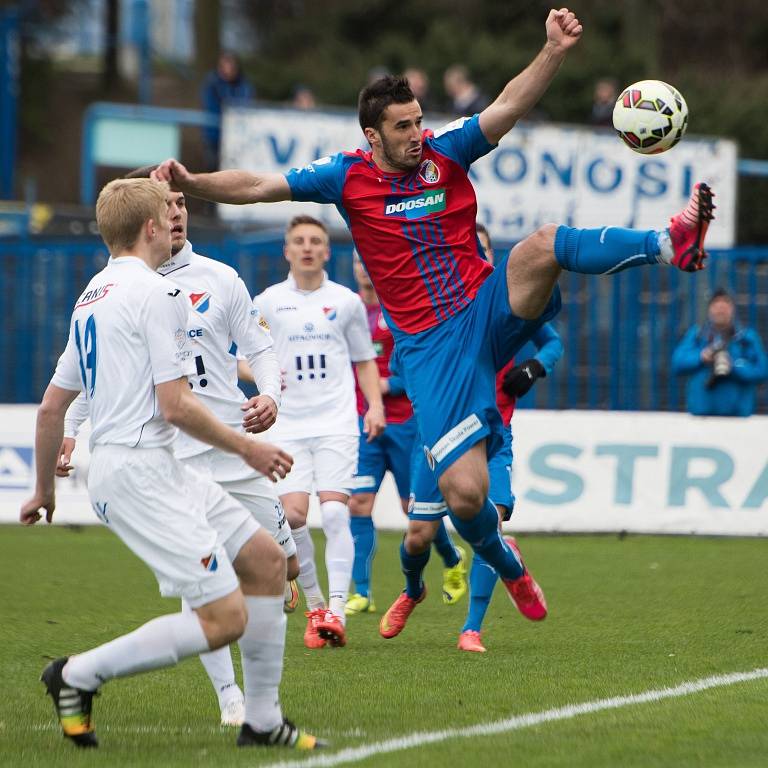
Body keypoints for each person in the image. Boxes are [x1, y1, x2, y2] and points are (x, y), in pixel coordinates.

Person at [153, 7, 715, 636]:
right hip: (430, 350)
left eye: (419, 120)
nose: (417, 133)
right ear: (373, 135)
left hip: (484, 306)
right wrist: (194, 182)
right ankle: (504, 559)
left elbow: (506, 108)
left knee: (543, 244)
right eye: (403, 127)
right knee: (466, 495)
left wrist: (553, 50)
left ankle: (670, 243)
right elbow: (258, 184)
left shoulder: (445, 154)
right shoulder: (345, 177)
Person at [20, 178, 320, 751]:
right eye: (168, 209)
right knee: (223, 618)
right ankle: (76, 675)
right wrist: (250, 448)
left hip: (152, 465)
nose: (177, 216)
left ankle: (261, 720)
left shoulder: (92, 295)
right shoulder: (157, 294)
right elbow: (176, 404)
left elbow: (51, 407)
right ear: (151, 228)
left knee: (262, 561)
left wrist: (43, 490)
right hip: (139, 472)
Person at [252, 215, 386, 649]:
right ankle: (313, 607)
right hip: (286, 424)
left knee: (333, 514)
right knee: (290, 517)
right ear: (287, 250)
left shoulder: (345, 302)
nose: (307, 247)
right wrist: (268, 380)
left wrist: (376, 408)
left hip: (335, 423)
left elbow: (364, 360)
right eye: (299, 241)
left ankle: (336, 607)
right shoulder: (268, 302)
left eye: (315, 241)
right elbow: (242, 358)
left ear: (327, 251)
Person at [457, 223, 563, 653]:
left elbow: (551, 344)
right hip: (450, 434)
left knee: (489, 519)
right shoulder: (446, 300)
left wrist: (533, 368)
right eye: (471, 249)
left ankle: (472, 629)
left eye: (483, 249)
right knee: (428, 530)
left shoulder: (509, 297)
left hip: (495, 434)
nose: (478, 257)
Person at [346, 252, 468, 617]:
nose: (364, 266)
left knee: (409, 509)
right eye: (357, 260)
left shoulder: (401, 311)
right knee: (358, 503)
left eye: (367, 259)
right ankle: (362, 592)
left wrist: (385, 385)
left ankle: (451, 555)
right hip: (362, 424)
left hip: (404, 426)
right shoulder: (346, 310)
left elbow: (418, 371)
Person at [671, 288, 768, 416]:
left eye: (725, 303)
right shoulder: (697, 335)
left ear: (732, 309)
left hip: (737, 420)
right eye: (716, 303)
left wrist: (733, 367)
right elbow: (677, 363)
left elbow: (762, 371)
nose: (720, 308)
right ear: (709, 309)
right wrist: (701, 357)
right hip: (701, 418)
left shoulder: (747, 338)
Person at [201, 52, 254, 170]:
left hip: (236, 135)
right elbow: (209, 105)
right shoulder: (212, 83)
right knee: (212, 168)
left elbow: (244, 104)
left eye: (230, 67)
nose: (227, 70)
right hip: (214, 134)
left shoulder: (243, 84)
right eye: (224, 67)